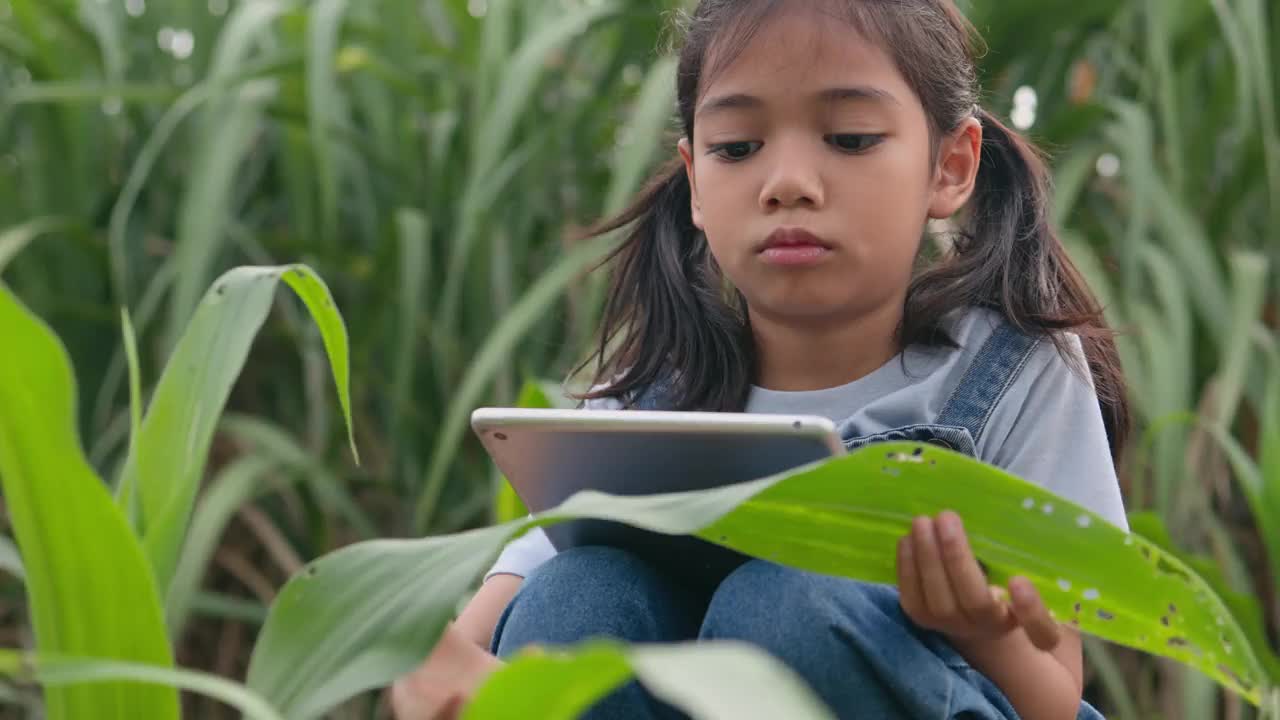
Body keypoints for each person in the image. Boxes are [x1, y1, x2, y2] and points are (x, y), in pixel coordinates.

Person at [391, 1, 1130, 718]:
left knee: (781, 604)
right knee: (574, 595)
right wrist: (436, 672)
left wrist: (981, 629)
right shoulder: (649, 390)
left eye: (849, 138)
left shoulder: (1013, 377)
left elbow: (1055, 695)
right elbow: (490, 625)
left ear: (951, 167)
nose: (787, 185)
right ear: (695, 184)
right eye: (737, 148)